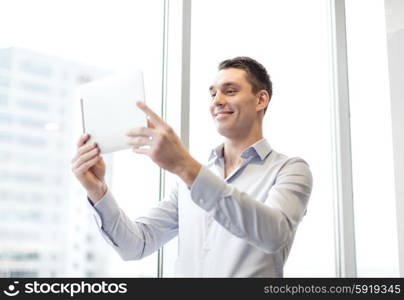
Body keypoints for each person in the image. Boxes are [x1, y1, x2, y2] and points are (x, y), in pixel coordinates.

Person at [71, 56, 313, 277]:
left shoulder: (290, 170)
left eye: (229, 91)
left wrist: (185, 167)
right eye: (212, 94)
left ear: (261, 99)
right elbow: (136, 245)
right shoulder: (191, 179)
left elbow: (273, 235)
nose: (217, 101)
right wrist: (97, 190)